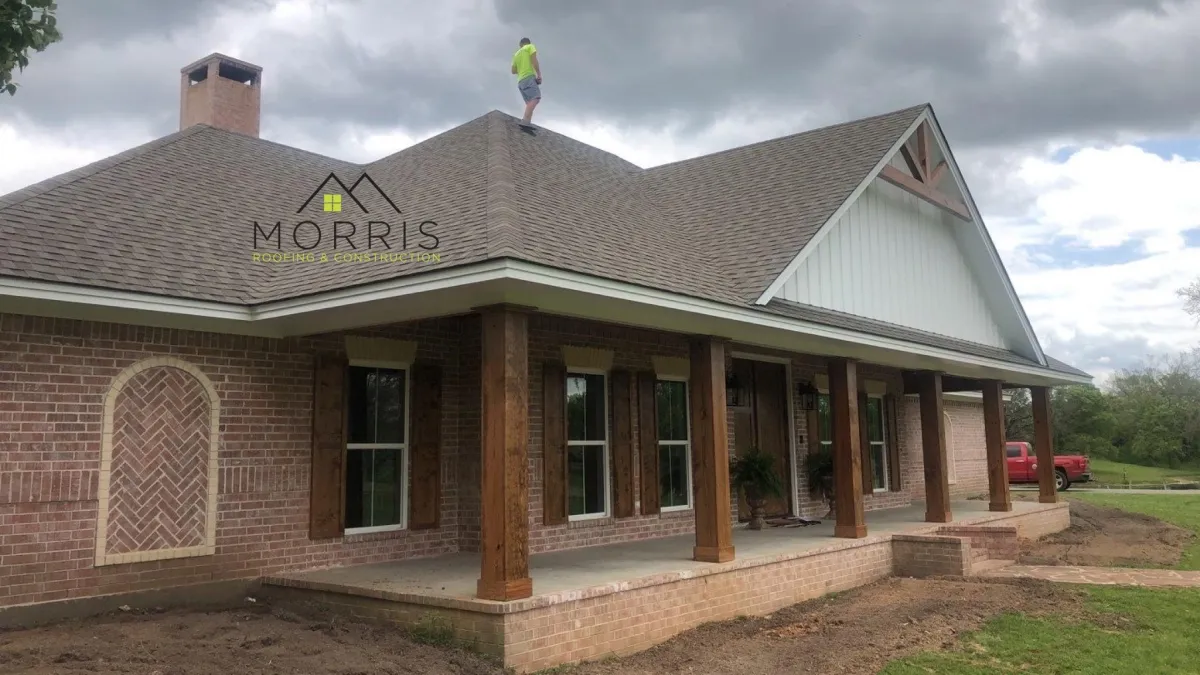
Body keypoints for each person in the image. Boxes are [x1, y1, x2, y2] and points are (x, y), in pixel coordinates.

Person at [511, 37, 541, 127]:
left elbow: (513, 71)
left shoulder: (516, 54)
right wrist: (539, 74)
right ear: (528, 43)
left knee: (529, 102)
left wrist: (521, 69)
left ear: (520, 44)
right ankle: (525, 121)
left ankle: (527, 123)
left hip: (520, 81)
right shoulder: (530, 47)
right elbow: (534, 61)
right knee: (536, 98)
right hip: (528, 77)